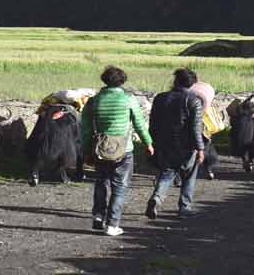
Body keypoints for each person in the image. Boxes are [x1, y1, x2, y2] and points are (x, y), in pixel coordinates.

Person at [80, 65, 153, 236]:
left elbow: (85, 129)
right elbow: (140, 125)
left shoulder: (94, 101)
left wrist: (86, 151)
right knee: (119, 187)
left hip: (100, 149)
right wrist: (148, 143)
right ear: (122, 81)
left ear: (104, 80)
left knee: (101, 183)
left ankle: (98, 215)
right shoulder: (129, 99)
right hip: (124, 150)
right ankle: (112, 224)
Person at [146, 68, 205, 220]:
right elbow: (195, 128)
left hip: (164, 143)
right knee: (189, 176)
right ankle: (184, 208)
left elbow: (153, 123)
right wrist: (200, 148)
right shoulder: (194, 100)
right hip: (186, 145)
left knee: (167, 171)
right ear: (192, 84)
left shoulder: (160, 97)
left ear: (175, 81)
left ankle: (157, 197)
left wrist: (152, 142)